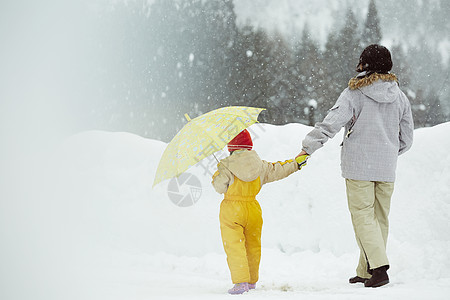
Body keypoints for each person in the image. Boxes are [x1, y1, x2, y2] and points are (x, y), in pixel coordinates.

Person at [297, 44, 414, 288]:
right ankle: (366, 270)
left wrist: (308, 147)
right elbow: (407, 138)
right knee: (379, 219)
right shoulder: (400, 97)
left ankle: (380, 268)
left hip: (358, 166)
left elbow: (331, 124)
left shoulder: (354, 93)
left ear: (364, 65)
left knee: (363, 218)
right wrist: (389, 151)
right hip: (386, 168)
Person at [212, 129, 308, 294]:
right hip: (253, 209)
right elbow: (278, 169)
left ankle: (240, 282)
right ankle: (251, 281)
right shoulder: (260, 165)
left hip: (232, 211)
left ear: (231, 147)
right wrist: (296, 163)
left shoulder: (226, 166)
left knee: (235, 246)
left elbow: (219, 187)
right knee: (253, 246)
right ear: (249, 146)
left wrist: (217, 174)